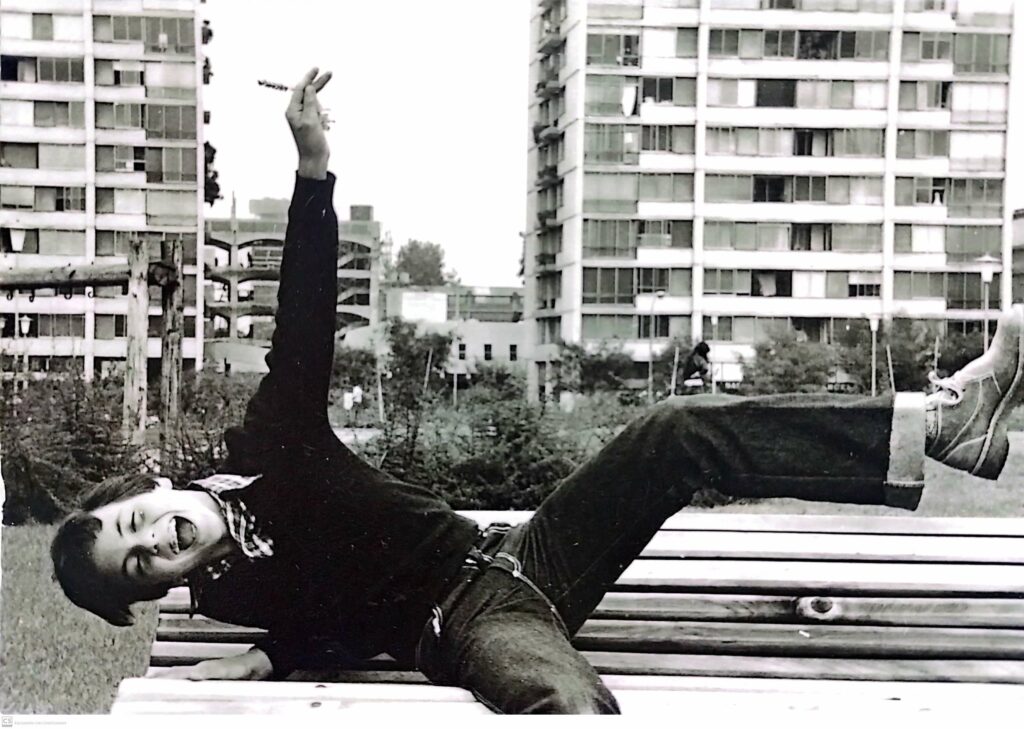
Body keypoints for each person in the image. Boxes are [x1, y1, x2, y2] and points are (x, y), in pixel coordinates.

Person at [51, 69, 1024, 714]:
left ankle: (949, 423)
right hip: (470, 623)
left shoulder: (267, 444)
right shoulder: (228, 598)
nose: (156, 544)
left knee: (670, 428)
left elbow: (302, 320)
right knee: (554, 701)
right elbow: (338, 614)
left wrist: (312, 170)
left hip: (523, 551)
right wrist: (271, 657)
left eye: (137, 524)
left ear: (149, 491)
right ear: (162, 591)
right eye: (143, 570)